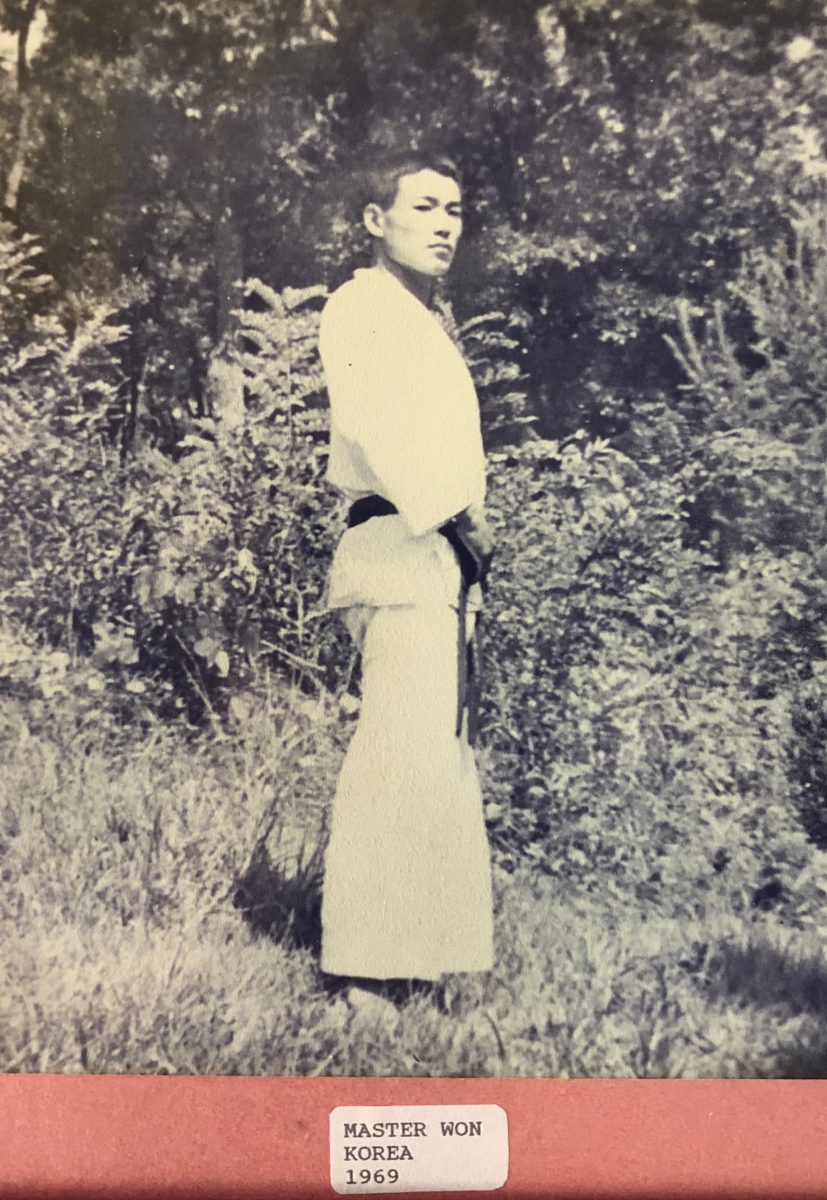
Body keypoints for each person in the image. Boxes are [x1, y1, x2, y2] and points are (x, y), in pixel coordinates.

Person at [318, 149, 495, 1016]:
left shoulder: (423, 322)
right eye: (424, 206)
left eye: (454, 210)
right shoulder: (360, 308)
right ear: (373, 219)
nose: (443, 225)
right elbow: (374, 429)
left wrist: (464, 542)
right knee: (395, 755)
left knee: (434, 759)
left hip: (436, 564)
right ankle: (361, 972)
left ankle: (418, 959)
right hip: (399, 545)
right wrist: (459, 518)